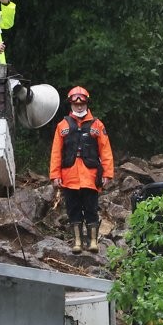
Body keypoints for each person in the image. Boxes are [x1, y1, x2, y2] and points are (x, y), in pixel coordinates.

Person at [49, 86, 114, 253]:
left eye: (82, 103)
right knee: (73, 209)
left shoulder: (97, 125)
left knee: (91, 208)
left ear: (86, 103)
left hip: (91, 176)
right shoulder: (62, 126)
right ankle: (77, 242)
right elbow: (56, 152)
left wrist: (107, 173)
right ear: (70, 104)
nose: (79, 107)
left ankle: (93, 242)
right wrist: (55, 175)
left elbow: (105, 150)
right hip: (69, 176)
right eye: (76, 104)